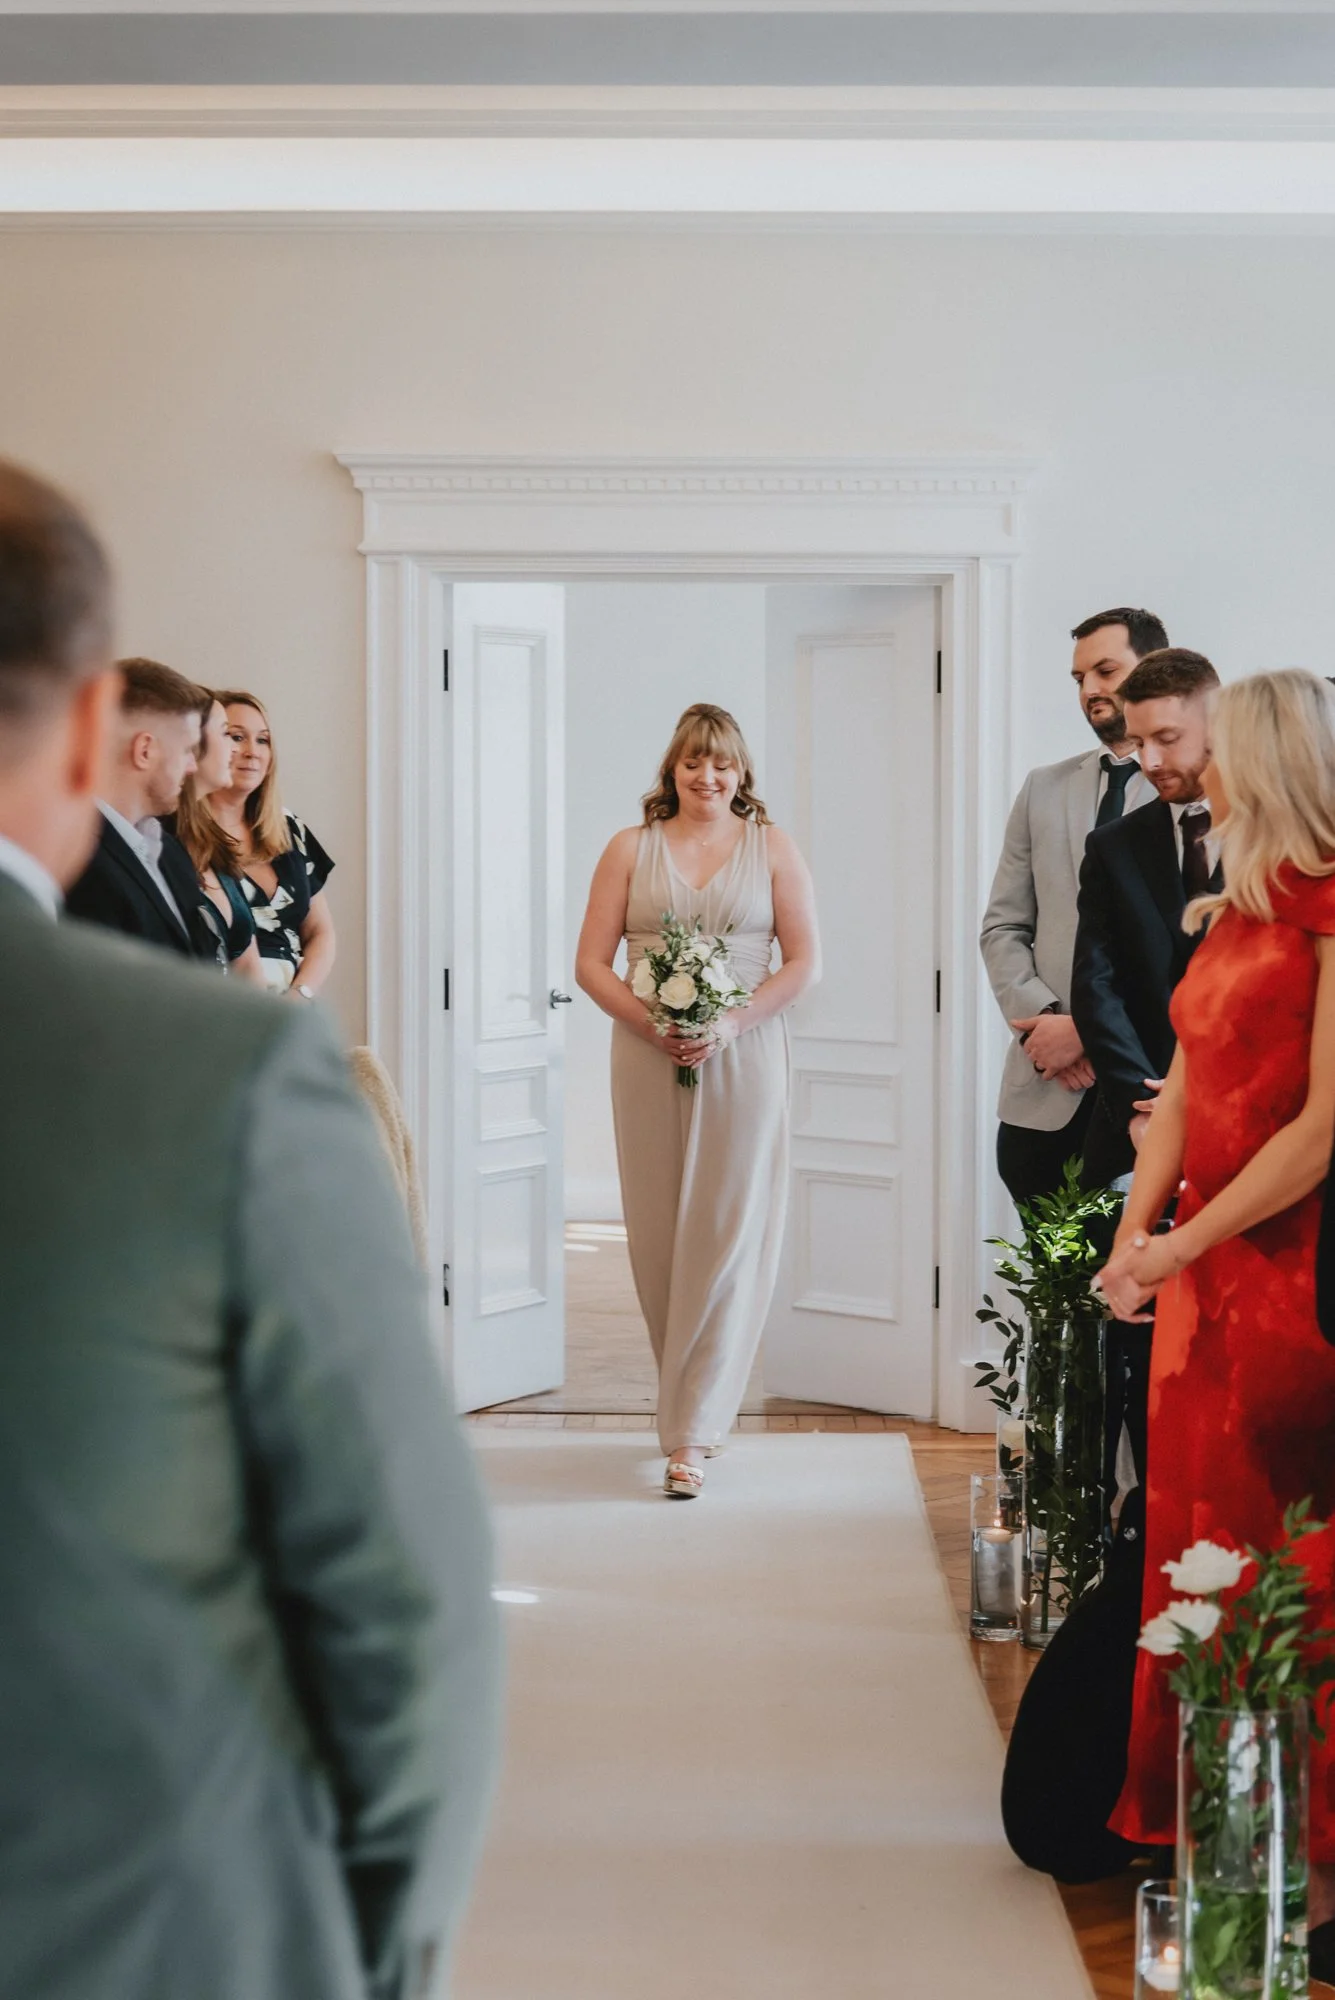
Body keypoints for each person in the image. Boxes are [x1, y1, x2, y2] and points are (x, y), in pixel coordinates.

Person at [0, 459, 501, 2000]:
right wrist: (372, 1954)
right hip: (134, 1928)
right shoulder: (213, 1081)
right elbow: (401, 1596)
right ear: (98, 729)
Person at [1097, 670, 1335, 1970]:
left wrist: (1184, 1240)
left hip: (1283, 1287)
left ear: (1263, 754)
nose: (1175, 768)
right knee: (1183, 1552)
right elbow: (1182, 1087)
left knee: (1268, 1566)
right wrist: (1136, 1242)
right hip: (1191, 1282)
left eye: (1204, 747)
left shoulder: (1326, 913)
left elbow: (1315, 1135)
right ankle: (1204, 1834)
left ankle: (1292, 1860)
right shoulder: (1229, 903)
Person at [1001, 648, 1220, 1887]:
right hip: (1138, 1130)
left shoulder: (1286, 855)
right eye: (1140, 743)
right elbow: (1100, 980)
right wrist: (1150, 1108)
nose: (1154, 764)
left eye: (1171, 740)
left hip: (1248, 1164)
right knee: (1144, 1407)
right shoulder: (1121, 845)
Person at [575, 703, 820, 1497]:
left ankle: (690, 1435)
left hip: (745, 1057)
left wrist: (731, 1023)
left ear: (741, 772)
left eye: (720, 763)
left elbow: (803, 961)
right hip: (646, 1058)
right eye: (691, 762)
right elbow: (590, 964)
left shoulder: (773, 849)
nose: (706, 776)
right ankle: (685, 1411)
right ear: (671, 770)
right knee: (657, 1235)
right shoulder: (628, 848)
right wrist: (656, 1024)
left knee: (727, 1229)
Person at [981, 607, 1167, 1205]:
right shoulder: (1043, 787)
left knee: (1132, 1293)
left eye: (1105, 669)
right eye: (1078, 677)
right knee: (1054, 1288)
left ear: (1154, 668)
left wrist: (1087, 1032)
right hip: (1043, 1092)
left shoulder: (1194, 791)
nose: (1090, 689)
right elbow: (1003, 926)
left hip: (1145, 1090)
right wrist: (1050, 1022)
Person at [64, 655, 226, 965]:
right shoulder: (78, 861)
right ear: (145, 751)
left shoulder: (172, 853)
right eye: (187, 750)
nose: (193, 766)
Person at [210, 688, 336, 997]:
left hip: (293, 1008)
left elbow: (321, 931)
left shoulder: (289, 827)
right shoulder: (181, 836)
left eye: (263, 740)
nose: (253, 751)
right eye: (237, 737)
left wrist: (299, 996)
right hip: (225, 1007)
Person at [170, 688, 266, 983]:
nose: (240, 751)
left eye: (263, 740)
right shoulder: (158, 838)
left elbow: (248, 964)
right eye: (229, 735)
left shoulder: (213, 842)